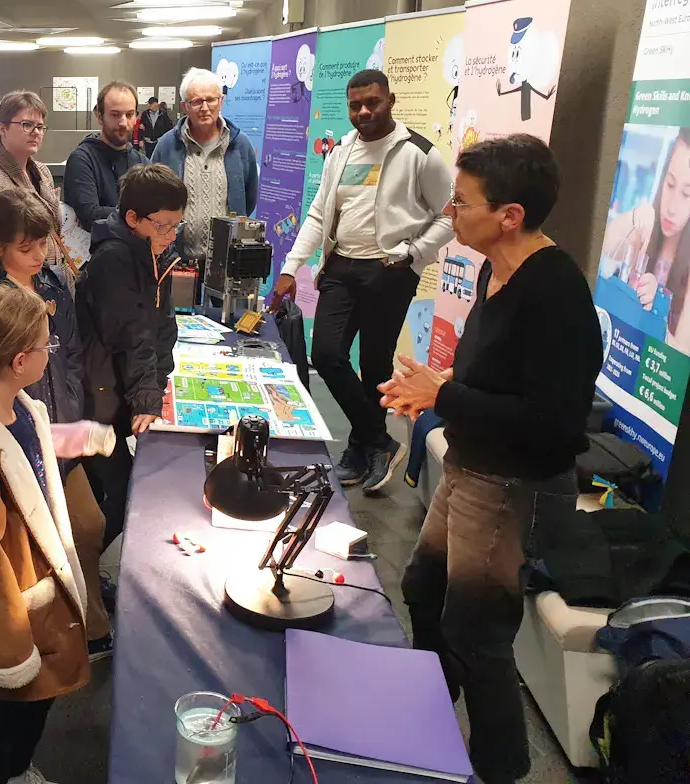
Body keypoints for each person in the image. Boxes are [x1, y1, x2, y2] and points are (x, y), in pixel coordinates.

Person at [379, 134, 602, 784]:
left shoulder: (556, 294)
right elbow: (487, 378)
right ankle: (428, 715)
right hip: (470, 467)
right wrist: (433, 389)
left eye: (463, 202)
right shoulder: (487, 269)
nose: (451, 212)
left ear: (509, 215)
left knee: (479, 632)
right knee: (422, 587)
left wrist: (444, 392)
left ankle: (500, 766)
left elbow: (553, 424)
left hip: (511, 483)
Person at [0, 284, 116, 784]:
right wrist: (10, 655)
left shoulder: (23, 409)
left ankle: (15, 770)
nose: (50, 353)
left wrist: (87, 436)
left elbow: (31, 454)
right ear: (18, 361)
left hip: (32, 602)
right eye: (46, 347)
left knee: (29, 717)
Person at [268, 68, 454, 493]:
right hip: (341, 267)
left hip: (389, 271)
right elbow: (318, 213)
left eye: (373, 102)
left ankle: (360, 448)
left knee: (374, 364)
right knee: (328, 354)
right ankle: (378, 439)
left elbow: (449, 214)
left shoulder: (419, 153)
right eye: (356, 105)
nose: (364, 112)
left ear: (391, 100)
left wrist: (413, 254)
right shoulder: (342, 151)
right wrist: (289, 268)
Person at [0, 188, 114, 661]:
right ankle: (71, 630)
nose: (39, 255)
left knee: (86, 526)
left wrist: (75, 406)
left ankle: (86, 618)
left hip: (55, 425)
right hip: (15, 434)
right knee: (46, 541)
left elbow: (71, 351)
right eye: (26, 247)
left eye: (44, 243)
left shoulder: (47, 281)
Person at [77, 163, 186, 548]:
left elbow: (161, 326)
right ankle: (78, 574)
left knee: (99, 492)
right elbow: (132, 333)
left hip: (119, 388)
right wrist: (147, 395)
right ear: (132, 218)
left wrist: (158, 381)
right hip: (98, 395)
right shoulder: (115, 259)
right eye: (163, 225)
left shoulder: (155, 251)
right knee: (121, 495)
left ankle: (80, 572)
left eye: (177, 226)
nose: (170, 235)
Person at [0, 90, 77, 288]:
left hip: (54, 276)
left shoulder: (42, 171)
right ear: (2, 129)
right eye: (27, 125)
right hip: (19, 283)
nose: (36, 132)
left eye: (40, 127)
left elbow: (53, 228)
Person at [151, 67, 259, 262]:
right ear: (184, 106)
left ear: (221, 101)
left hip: (228, 260)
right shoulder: (167, 146)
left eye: (211, 99)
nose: (205, 107)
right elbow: (151, 198)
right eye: (196, 101)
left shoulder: (240, 145)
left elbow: (248, 198)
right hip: (176, 260)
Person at [601, 128, 690, 355]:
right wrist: (633, 217)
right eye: (670, 185)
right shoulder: (648, 228)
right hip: (617, 352)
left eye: (687, 194)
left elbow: (683, 353)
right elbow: (607, 247)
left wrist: (657, 308)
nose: (671, 207)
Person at [63, 81, 146, 233]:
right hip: (98, 254)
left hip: (135, 254)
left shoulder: (141, 162)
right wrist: (140, 217)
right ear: (99, 116)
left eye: (129, 114)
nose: (123, 122)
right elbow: (90, 216)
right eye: (115, 114)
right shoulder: (82, 160)